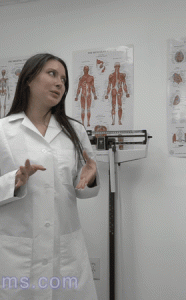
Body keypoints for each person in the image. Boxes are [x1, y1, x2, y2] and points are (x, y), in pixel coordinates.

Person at [0, 53, 100, 299]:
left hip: (65, 251)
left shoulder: (74, 131)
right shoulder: (3, 131)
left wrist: (91, 177)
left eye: (64, 80)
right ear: (29, 79)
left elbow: (82, 188)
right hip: (17, 254)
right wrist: (15, 181)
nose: (59, 84)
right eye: (52, 74)